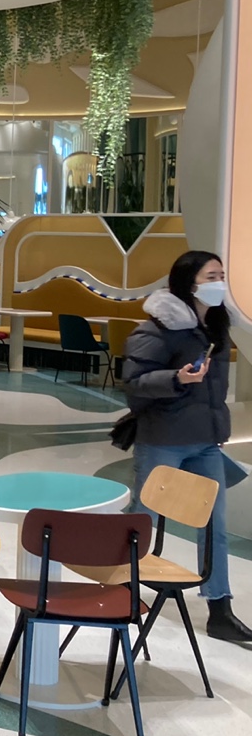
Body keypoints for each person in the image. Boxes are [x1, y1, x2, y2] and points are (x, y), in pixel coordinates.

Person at [124, 249, 252, 644]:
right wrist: (176, 379)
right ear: (188, 282)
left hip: (205, 442)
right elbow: (134, 384)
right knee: (141, 519)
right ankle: (122, 584)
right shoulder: (158, 329)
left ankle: (219, 609)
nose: (219, 283)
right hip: (163, 439)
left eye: (221, 275)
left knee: (214, 525)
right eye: (211, 276)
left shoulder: (216, 326)